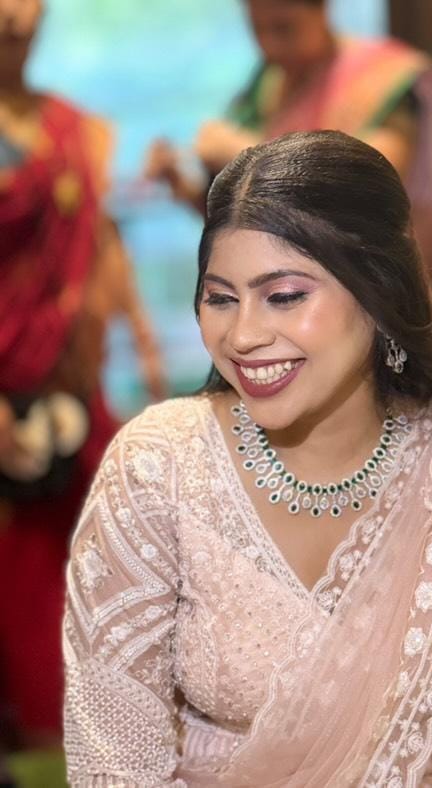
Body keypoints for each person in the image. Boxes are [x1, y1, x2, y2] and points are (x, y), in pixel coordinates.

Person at [63, 131, 432, 786]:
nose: (243, 335)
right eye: (220, 297)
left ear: (378, 289)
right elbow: (114, 764)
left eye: (284, 295)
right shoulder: (158, 468)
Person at [145, 0, 432, 391]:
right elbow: (252, 218)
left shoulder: (382, 81)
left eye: (284, 29)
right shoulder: (265, 85)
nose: (270, 46)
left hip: (367, 300)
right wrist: (186, 187)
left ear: (322, 10)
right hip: (284, 303)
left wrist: (244, 150)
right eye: (258, 31)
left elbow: (370, 181)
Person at [0, 0, 165, 748]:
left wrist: (141, 333)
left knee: (99, 564)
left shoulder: (71, 127)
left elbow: (98, 238)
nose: (14, 17)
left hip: (69, 388)